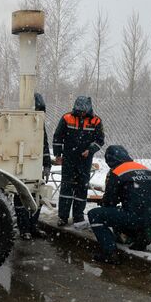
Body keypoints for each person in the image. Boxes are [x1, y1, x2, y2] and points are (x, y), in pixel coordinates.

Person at [88, 145, 151, 264]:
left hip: (134, 216)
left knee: (95, 215)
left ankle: (110, 253)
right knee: (130, 210)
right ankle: (140, 236)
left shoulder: (117, 172)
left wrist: (103, 202)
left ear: (110, 160)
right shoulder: (144, 169)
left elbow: (110, 201)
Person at [53, 96, 104, 228]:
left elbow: (100, 141)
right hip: (69, 159)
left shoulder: (96, 121)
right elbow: (58, 136)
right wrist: (58, 154)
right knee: (66, 188)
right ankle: (63, 217)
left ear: (88, 109)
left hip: (85, 160)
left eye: (83, 111)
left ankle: (78, 216)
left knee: (82, 187)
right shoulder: (66, 118)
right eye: (78, 111)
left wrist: (90, 150)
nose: (81, 113)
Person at [15, 93, 51, 240]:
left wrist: (47, 164)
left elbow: (45, 145)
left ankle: (33, 225)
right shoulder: (19, 124)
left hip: (36, 165)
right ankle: (24, 228)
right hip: (22, 166)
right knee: (21, 196)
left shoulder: (39, 125)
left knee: (37, 194)